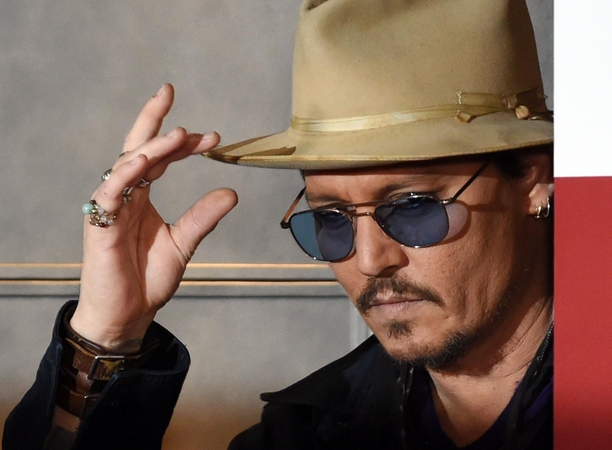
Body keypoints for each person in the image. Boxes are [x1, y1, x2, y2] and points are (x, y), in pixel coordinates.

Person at [3, 0, 554, 449]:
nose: (369, 260)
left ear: (533, 180)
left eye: (414, 208)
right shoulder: (303, 433)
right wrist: (105, 339)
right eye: (331, 220)